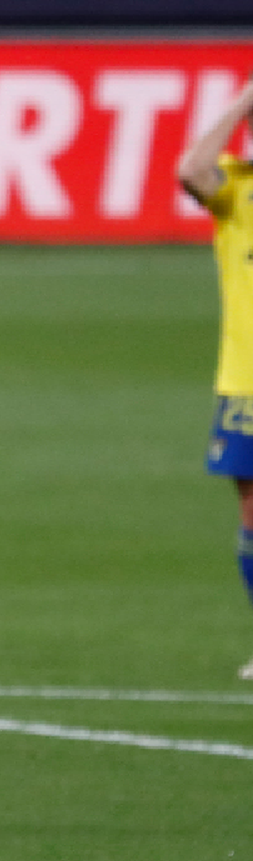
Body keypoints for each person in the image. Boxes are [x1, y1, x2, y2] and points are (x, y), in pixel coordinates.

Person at [179, 77, 253, 678]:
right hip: (245, 379)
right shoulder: (237, 192)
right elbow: (190, 169)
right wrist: (244, 100)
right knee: (251, 511)